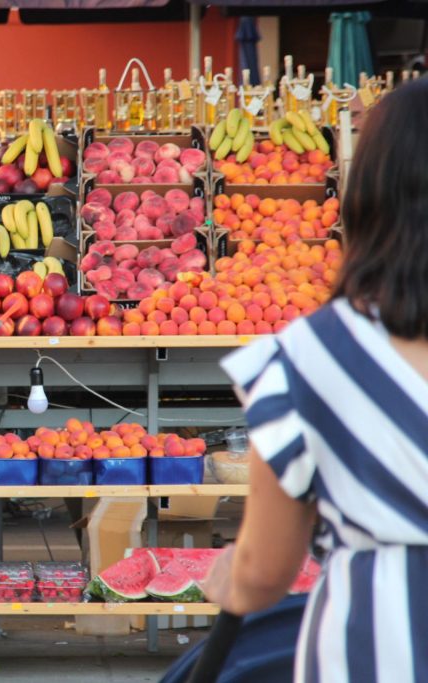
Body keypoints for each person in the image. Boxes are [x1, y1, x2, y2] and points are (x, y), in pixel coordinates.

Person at [202, 79, 428, 682]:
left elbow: (264, 571)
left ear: (369, 192)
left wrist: (232, 576)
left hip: (375, 648)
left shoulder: (314, 356)